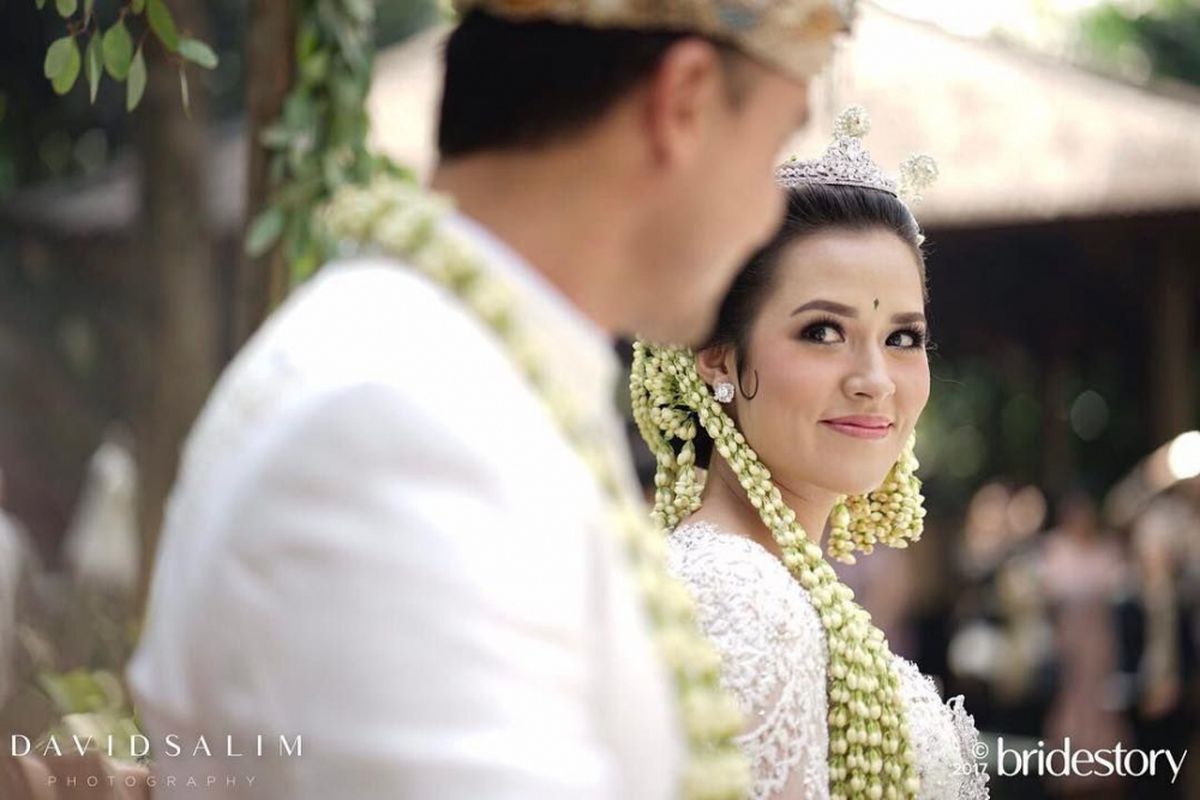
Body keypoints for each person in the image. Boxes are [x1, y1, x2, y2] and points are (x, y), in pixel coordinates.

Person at [126, 1, 848, 798]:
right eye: (776, 145)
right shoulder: (396, 426)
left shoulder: (465, 375)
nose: (767, 213)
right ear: (683, 104)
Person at [631, 106, 990, 799]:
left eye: (903, 337)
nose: (874, 380)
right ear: (716, 356)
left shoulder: (760, 580)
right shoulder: (741, 599)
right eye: (823, 331)